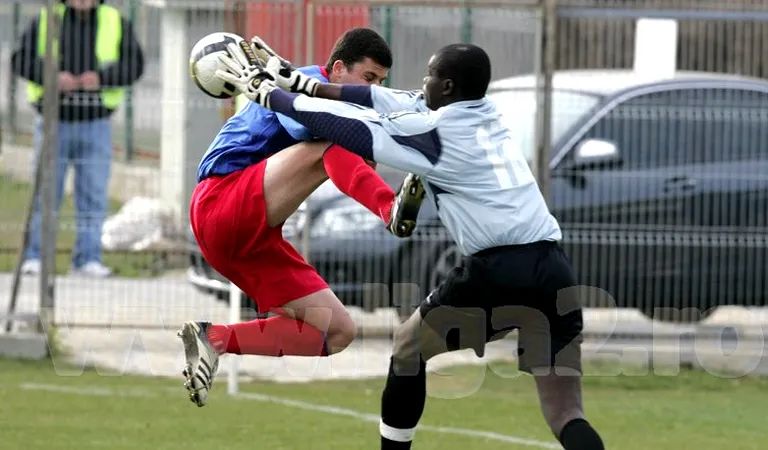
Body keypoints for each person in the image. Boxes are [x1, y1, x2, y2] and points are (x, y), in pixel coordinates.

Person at [217, 42, 606, 449]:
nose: (424, 84)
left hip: (499, 269)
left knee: (407, 348)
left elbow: (352, 128)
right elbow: (378, 98)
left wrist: (270, 96)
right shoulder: (486, 115)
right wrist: (301, 84)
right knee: (566, 413)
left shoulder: (434, 134)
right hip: (555, 268)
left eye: (431, 76)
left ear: (449, 85)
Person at [177, 28, 426, 407]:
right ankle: (388, 209)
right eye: (368, 78)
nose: (372, 89)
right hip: (220, 204)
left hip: (251, 236)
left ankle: (214, 340)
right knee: (328, 138)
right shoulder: (307, 83)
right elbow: (315, 129)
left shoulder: (343, 101)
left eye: (379, 82)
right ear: (338, 69)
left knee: (337, 331)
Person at [11, 0, 145, 277]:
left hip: (95, 124)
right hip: (52, 122)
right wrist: (52, 77)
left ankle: (88, 259)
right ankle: (36, 258)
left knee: (94, 195)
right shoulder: (47, 20)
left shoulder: (115, 21)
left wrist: (101, 78)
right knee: (45, 193)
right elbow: (20, 59)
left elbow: (135, 64)